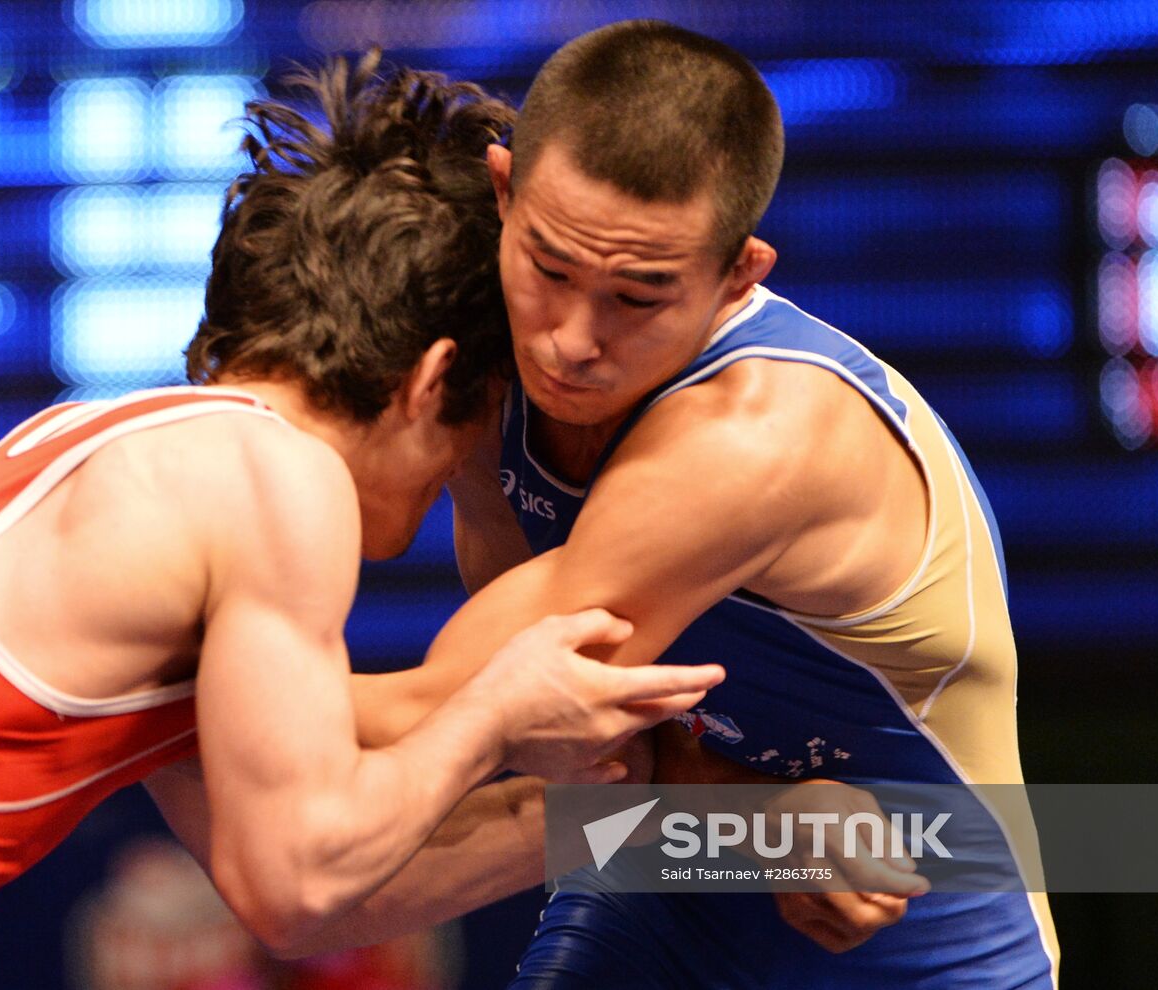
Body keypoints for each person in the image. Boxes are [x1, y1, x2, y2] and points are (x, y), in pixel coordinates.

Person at [0, 55, 725, 990]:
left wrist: (750, 838)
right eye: (481, 430)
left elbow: (332, 889)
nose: (463, 476)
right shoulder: (278, 475)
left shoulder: (116, 448)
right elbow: (300, 880)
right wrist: (491, 717)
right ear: (434, 381)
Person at [356, 20, 1060, 988]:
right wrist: (756, 820)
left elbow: (466, 710)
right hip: (678, 862)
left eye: (637, 298)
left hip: (910, 938)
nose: (569, 340)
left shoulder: (750, 437)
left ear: (738, 274)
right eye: (548, 269)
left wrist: (144, 686)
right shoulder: (495, 361)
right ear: (505, 191)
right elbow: (583, 744)